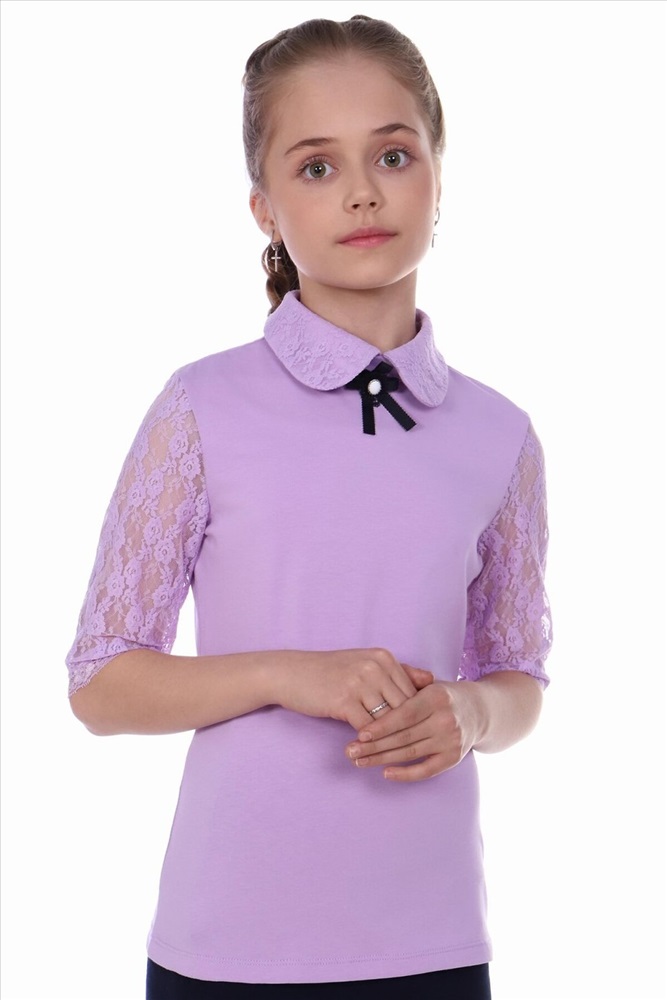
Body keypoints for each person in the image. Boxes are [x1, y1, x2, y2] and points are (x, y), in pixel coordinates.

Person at [66, 14, 552, 1000]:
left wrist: (468, 711)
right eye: (317, 167)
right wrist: (288, 673)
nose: (363, 190)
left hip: (430, 942)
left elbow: (518, 678)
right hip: (225, 944)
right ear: (264, 207)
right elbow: (101, 682)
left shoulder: (499, 434)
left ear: (438, 176)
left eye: (393, 154)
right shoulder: (201, 406)